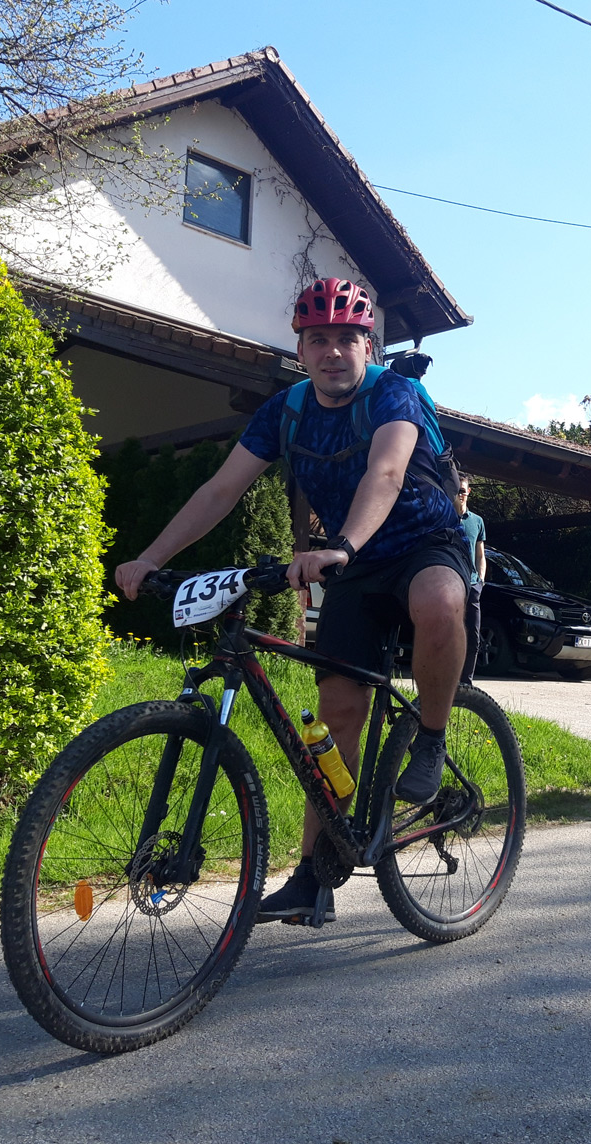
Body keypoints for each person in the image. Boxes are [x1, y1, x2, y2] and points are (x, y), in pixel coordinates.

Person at [114, 277, 472, 925]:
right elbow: (220, 492)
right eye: (318, 340)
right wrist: (151, 558)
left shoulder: (396, 394)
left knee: (440, 599)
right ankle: (314, 875)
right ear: (300, 349)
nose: (332, 352)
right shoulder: (286, 411)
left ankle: (432, 737)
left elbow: (386, 472)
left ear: (370, 346)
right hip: (352, 564)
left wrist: (341, 546)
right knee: (334, 716)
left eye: (346, 339)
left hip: (422, 542)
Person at [457, 476, 488, 684]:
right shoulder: (444, 517)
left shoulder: (477, 521)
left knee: (473, 636)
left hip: (472, 585)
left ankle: (466, 683)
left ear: (469, 492)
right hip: (450, 586)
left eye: (462, 491)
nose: (459, 494)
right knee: (449, 635)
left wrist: (481, 582)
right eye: (456, 490)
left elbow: (480, 555)